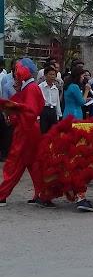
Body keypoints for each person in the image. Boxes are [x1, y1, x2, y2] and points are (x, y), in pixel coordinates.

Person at [0, 58, 45, 206]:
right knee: (33, 164)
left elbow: (30, 112)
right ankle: (41, 194)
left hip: (27, 130)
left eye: (17, 70)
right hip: (30, 130)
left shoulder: (30, 88)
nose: (15, 73)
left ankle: (2, 195)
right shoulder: (29, 87)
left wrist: (13, 112)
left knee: (15, 163)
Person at [39, 65, 62, 133]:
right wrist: (38, 116)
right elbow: (38, 102)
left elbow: (57, 103)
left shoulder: (55, 88)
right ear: (45, 75)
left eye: (54, 75)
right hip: (44, 110)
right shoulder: (40, 87)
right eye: (50, 74)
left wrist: (58, 115)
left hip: (53, 111)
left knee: (53, 132)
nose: (52, 76)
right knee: (44, 131)